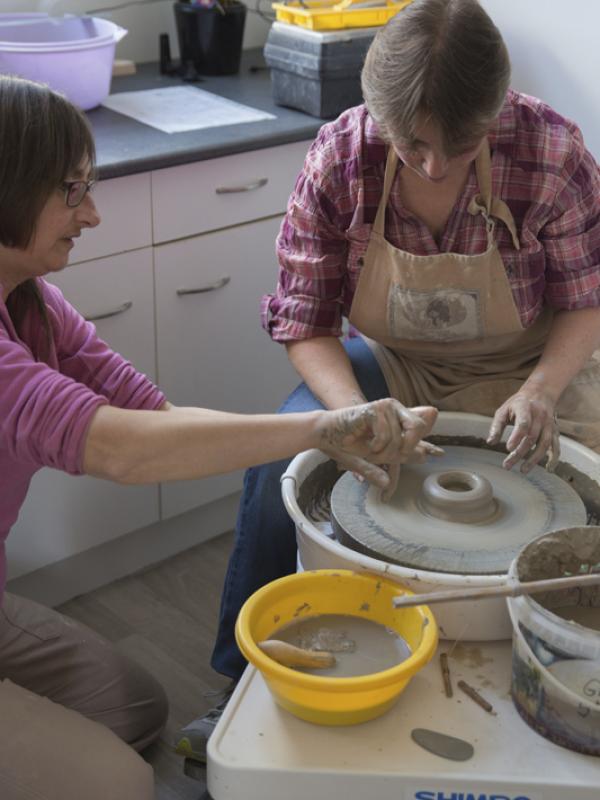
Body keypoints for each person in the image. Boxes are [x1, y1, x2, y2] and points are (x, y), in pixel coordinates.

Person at [177, 0, 600, 762]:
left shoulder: (551, 150)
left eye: (460, 144)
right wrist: (354, 414)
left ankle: (560, 691)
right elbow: (304, 320)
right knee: (285, 452)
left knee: (589, 502)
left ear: (495, 110)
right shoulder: (342, 156)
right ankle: (239, 683)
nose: (434, 165)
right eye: (412, 145)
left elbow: (586, 301)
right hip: (396, 366)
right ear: (379, 117)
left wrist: (540, 390)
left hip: (532, 365)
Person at [0, 75, 438, 800]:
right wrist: (323, 428)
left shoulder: (31, 302)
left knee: (136, 710)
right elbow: (119, 449)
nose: (95, 215)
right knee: (123, 784)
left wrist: (326, 431)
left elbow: (153, 416)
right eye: (73, 192)